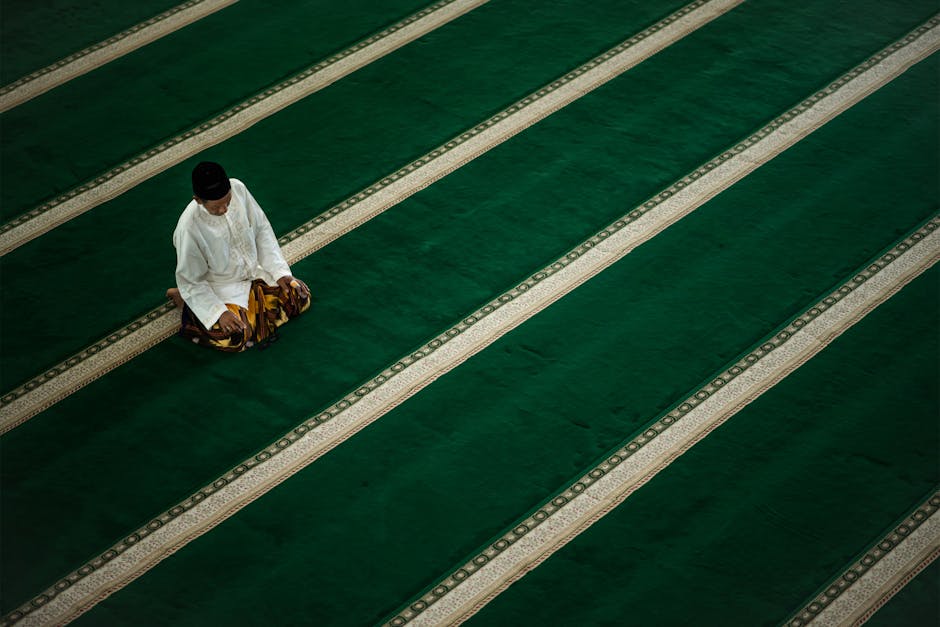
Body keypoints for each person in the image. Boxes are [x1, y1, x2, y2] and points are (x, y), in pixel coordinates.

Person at [166, 161, 310, 351]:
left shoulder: (238, 189)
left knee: (298, 296)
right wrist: (219, 313)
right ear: (198, 200)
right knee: (235, 337)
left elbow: (262, 231)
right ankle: (187, 306)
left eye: (227, 202)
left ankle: (252, 314)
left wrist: (280, 273)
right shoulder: (188, 228)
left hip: (254, 276)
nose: (224, 210)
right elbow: (191, 281)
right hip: (221, 290)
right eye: (216, 207)